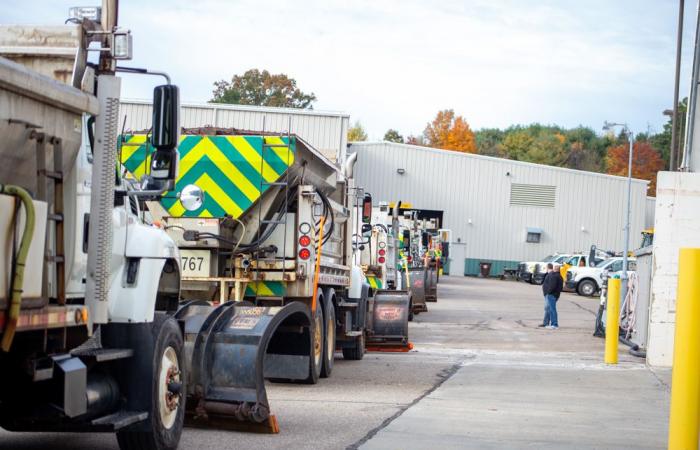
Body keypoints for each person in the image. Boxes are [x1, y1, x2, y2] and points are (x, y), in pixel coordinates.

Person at [539, 263, 563, 329]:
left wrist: (548, 292)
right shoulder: (559, 276)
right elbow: (561, 287)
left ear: (555, 269)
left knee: (552, 309)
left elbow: (552, 286)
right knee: (548, 309)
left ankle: (554, 324)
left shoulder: (554, 276)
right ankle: (546, 322)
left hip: (551, 295)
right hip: (554, 295)